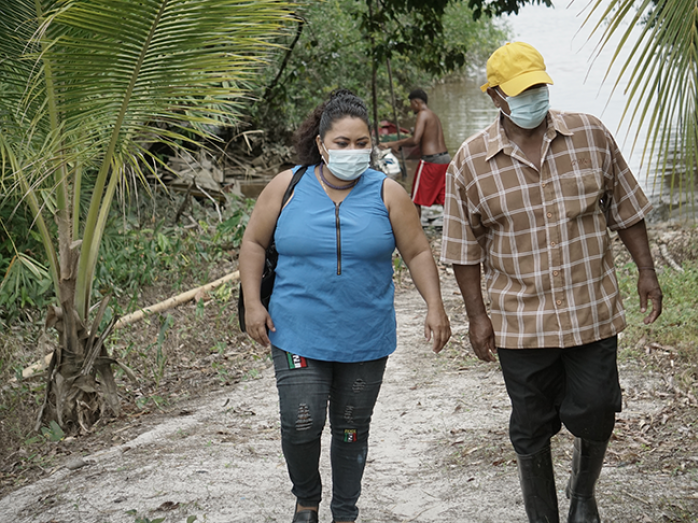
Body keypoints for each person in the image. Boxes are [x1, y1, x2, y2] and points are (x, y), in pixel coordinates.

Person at [441, 42, 663, 523]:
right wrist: (477, 318)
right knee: (532, 425)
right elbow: (462, 249)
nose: (534, 98)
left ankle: (583, 494)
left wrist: (646, 270)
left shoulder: (590, 134)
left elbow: (626, 209)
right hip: (521, 319)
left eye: (539, 86)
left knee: (599, 408)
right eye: (522, 92)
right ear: (497, 96)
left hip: (591, 307)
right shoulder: (470, 162)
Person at [239, 88, 451, 523]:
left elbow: (417, 253)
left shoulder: (388, 193)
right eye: (342, 143)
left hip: (365, 335)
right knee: (301, 423)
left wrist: (435, 306)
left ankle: (345, 512)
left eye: (361, 143)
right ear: (321, 144)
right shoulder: (288, 185)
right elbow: (254, 242)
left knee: (352, 430)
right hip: (296, 328)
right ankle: (307, 500)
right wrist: (252, 304)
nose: (353, 152)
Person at [379, 88, 450, 218]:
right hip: (445, 159)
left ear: (417, 102)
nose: (411, 107)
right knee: (445, 198)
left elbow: (415, 140)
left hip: (430, 161)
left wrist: (393, 144)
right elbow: (427, 136)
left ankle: (415, 232)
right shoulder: (433, 115)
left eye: (411, 103)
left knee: (416, 199)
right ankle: (453, 228)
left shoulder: (422, 114)